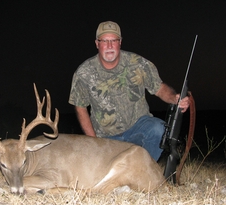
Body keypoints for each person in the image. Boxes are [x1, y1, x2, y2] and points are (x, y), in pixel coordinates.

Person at [68, 21, 190, 161]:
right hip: (106, 137)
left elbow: (159, 88)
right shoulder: (83, 72)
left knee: (158, 129)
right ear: (97, 43)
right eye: (104, 41)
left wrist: (174, 98)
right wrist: (94, 142)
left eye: (114, 40)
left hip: (137, 129)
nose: (109, 46)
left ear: (120, 42)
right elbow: (80, 106)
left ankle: (145, 170)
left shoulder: (138, 63)